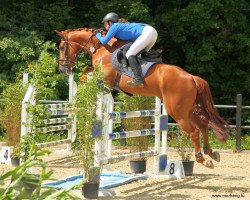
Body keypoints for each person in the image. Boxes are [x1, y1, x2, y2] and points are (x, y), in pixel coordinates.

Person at [95, 12, 158, 88]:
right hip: (152, 32)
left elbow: (104, 41)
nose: (104, 26)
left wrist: (97, 35)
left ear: (110, 22)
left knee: (129, 54)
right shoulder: (120, 26)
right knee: (139, 56)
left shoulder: (114, 26)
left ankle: (138, 80)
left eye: (104, 23)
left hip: (147, 33)